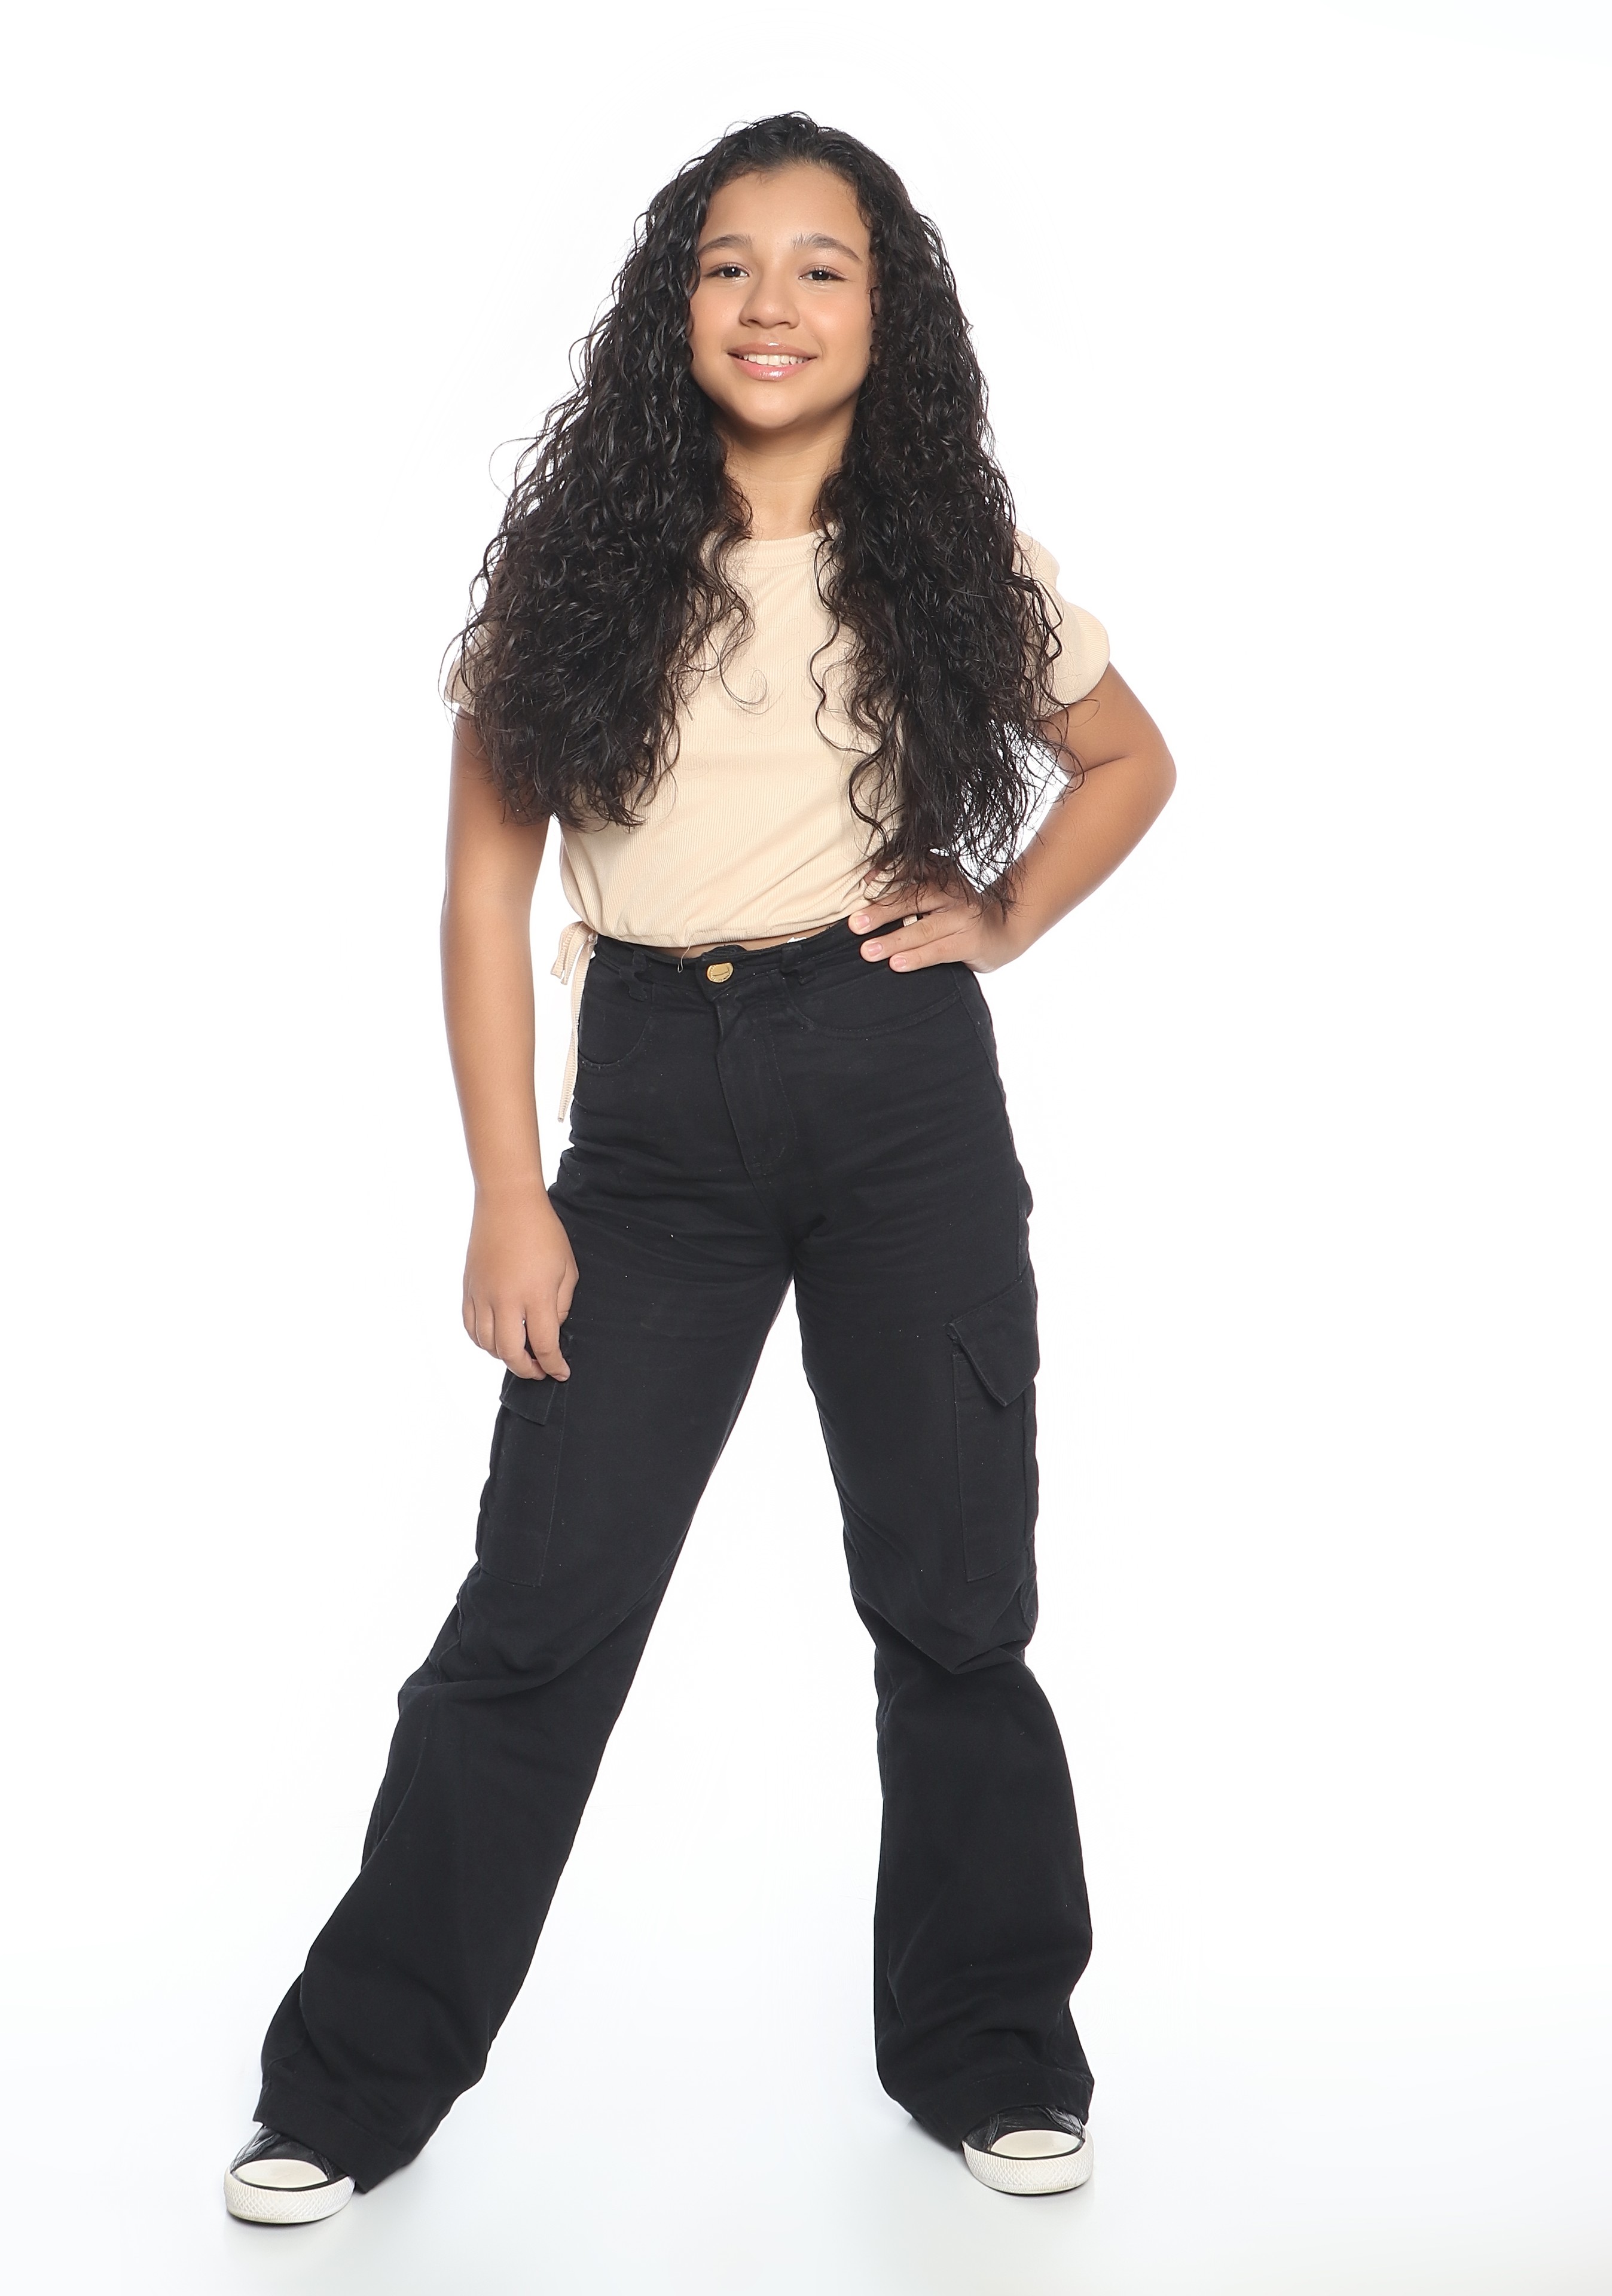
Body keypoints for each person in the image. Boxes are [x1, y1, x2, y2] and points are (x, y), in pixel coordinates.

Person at [224, 112, 1176, 2227]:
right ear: (676, 302)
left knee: (954, 1601)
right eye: (729, 262)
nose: (771, 303)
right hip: (648, 1117)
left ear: (885, 313)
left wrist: (1004, 915)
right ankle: (348, 2089)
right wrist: (508, 1191)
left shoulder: (957, 560)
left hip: (898, 1088)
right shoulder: (576, 570)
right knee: (539, 1610)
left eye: (822, 266)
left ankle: (989, 2054)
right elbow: (481, 900)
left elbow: (1129, 759)